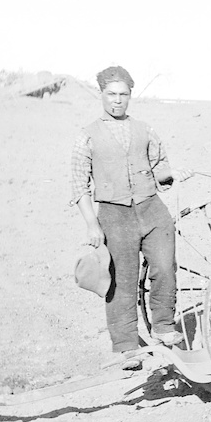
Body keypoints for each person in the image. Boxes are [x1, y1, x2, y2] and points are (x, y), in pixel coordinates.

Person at [70, 65, 193, 370]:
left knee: (165, 268)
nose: (117, 101)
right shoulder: (86, 136)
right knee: (122, 282)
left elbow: (159, 168)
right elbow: (78, 186)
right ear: (101, 94)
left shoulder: (145, 130)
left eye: (123, 95)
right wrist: (91, 224)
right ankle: (127, 347)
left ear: (130, 96)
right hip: (114, 215)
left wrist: (173, 174)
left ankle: (164, 327)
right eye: (111, 94)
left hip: (152, 209)